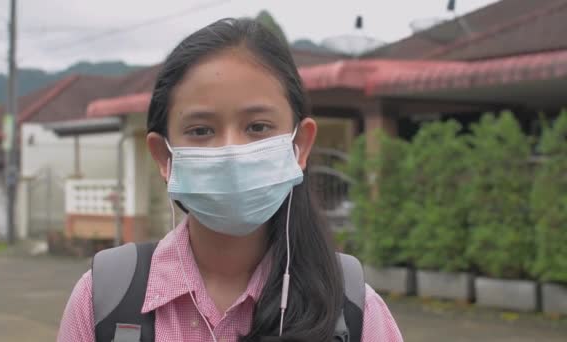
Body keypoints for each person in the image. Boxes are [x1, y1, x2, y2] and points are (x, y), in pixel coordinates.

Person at [58, 18, 403, 342]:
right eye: (201, 130)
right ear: (164, 156)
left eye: (257, 127)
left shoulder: (352, 311)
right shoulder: (103, 301)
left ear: (300, 145)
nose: (231, 152)